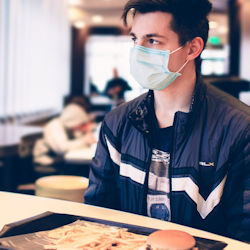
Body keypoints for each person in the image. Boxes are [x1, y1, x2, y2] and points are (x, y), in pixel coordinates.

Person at [84, 0, 250, 242]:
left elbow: (245, 232)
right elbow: (97, 216)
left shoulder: (238, 129)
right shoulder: (117, 123)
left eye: (152, 41)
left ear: (193, 48)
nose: (138, 51)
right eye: (134, 39)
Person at [33, 101, 97, 166]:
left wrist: (86, 131)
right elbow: (62, 149)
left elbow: (77, 138)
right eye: (80, 124)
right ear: (73, 120)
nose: (80, 127)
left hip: (60, 159)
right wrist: (85, 141)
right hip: (47, 161)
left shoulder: (68, 127)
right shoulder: (54, 126)